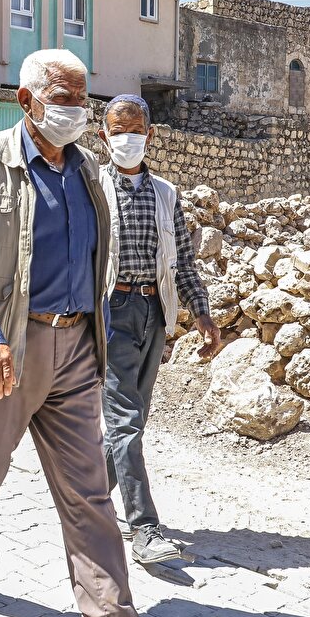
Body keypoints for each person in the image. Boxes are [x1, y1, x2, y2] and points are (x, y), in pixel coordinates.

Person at [0, 50, 183, 617]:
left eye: (81, 98)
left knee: (89, 487)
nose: (76, 111)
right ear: (27, 101)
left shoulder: (87, 169)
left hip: (75, 346)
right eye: (64, 99)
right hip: (10, 346)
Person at [97, 94, 221, 565]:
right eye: (118, 131)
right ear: (104, 135)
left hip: (154, 311)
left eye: (135, 131)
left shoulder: (167, 194)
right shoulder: (92, 187)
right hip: (110, 312)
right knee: (125, 420)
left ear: (150, 135)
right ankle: (144, 528)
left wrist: (201, 313)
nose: (126, 139)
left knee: (135, 417)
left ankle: (84, 498)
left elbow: (183, 262)